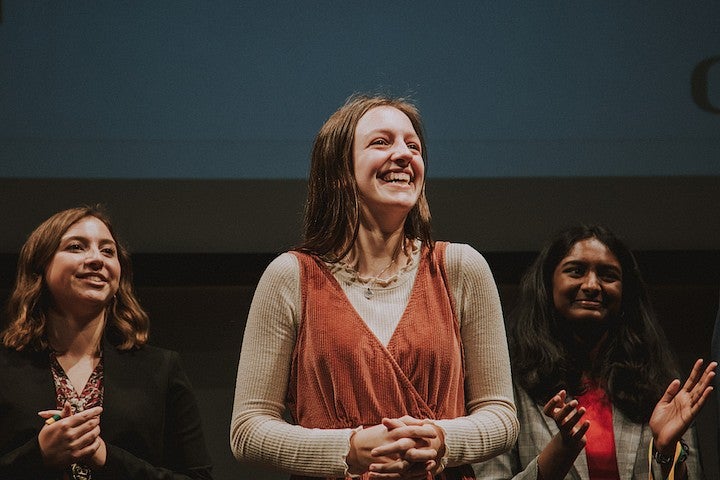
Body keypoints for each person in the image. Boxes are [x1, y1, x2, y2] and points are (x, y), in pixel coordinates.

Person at [230, 94, 519, 479]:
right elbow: (248, 430)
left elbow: (501, 417)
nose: (403, 154)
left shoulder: (461, 269)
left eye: (412, 145)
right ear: (339, 170)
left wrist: (441, 438)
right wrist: (347, 449)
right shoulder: (290, 277)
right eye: (381, 142)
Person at [474, 224, 716, 480]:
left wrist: (666, 453)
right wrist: (561, 451)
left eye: (607, 275)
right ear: (548, 285)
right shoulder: (507, 387)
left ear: (625, 293)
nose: (592, 285)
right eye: (576, 271)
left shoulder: (658, 387)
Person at [0, 206, 213, 480]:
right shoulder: (5, 367)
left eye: (107, 251)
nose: (96, 260)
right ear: (40, 267)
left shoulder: (161, 369)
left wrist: (106, 458)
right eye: (77, 247)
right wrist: (38, 455)